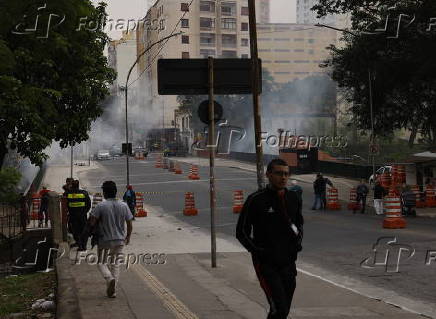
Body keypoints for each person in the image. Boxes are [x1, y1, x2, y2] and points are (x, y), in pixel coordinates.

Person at [236, 159, 303, 319]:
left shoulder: (294, 198)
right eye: (279, 173)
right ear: (268, 174)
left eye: (286, 174)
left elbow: (298, 225)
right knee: (278, 309)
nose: (283, 177)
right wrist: (258, 252)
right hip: (267, 265)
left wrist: (297, 244)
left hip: (288, 263)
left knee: (283, 310)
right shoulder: (256, 199)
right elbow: (241, 231)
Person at [88, 181, 133, 298]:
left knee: (101, 262)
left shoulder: (100, 206)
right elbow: (129, 223)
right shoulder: (124, 205)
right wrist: (128, 236)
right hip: (120, 240)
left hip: (104, 240)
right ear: (115, 191)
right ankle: (113, 291)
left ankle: (109, 278)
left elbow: (92, 222)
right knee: (115, 264)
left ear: (104, 192)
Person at [66, 180, 91, 250]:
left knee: (76, 231)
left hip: (73, 216)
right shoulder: (84, 193)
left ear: (72, 186)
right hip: (82, 215)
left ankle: (80, 245)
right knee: (84, 230)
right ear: (78, 185)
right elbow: (89, 204)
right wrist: (85, 212)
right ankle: (84, 246)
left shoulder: (68, 194)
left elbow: (66, 204)